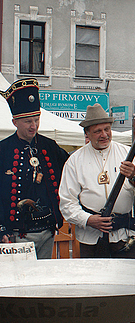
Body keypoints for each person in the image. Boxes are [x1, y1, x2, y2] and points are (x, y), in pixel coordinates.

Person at [59, 104, 135, 258]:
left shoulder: (127, 153)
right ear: (87, 133)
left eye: (107, 129)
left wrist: (134, 176)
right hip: (91, 239)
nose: (104, 134)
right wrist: (88, 219)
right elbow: (67, 202)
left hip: (125, 235)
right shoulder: (74, 160)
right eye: (97, 131)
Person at [0, 78, 69, 259]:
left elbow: (71, 170)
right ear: (15, 122)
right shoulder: (3, 150)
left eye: (36, 120)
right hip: (16, 233)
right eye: (28, 121)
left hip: (47, 230)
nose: (34, 126)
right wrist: (1, 229)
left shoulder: (50, 146)